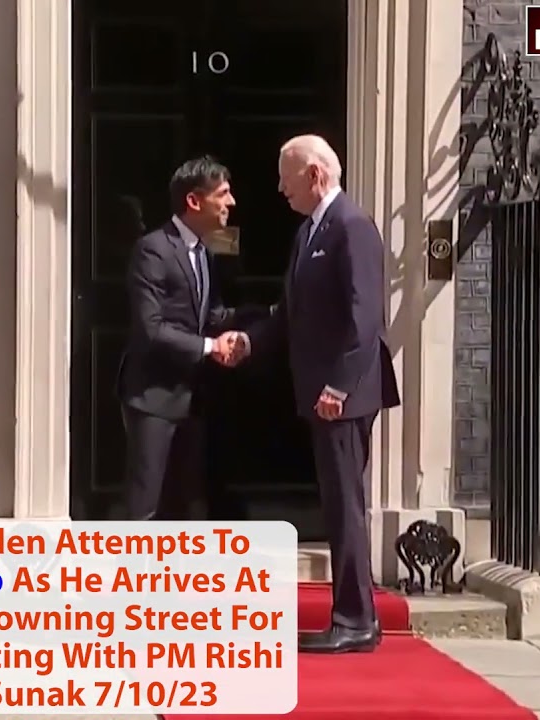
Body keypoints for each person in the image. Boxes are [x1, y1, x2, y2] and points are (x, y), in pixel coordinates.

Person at [234, 135, 400, 653]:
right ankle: (354, 614)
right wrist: (249, 340)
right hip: (321, 390)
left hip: (341, 393)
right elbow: (291, 313)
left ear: (314, 175)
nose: (279, 188)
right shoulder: (311, 230)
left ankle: (355, 619)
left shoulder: (351, 226)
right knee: (336, 502)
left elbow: (363, 317)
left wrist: (341, 386)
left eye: (286, 176)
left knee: (346, 504)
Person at [117, 156, 246, 521]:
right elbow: (150, 327)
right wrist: (210, 347)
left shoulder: (204, 251)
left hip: (193, 399)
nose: (231, 202)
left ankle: (174, 577)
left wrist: (266, 320)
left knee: (185, 504)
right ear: (194, 201)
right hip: (153, 397)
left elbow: (213, 314)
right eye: (222, 194)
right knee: (146, 505)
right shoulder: (153, 250)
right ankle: (136, 577)